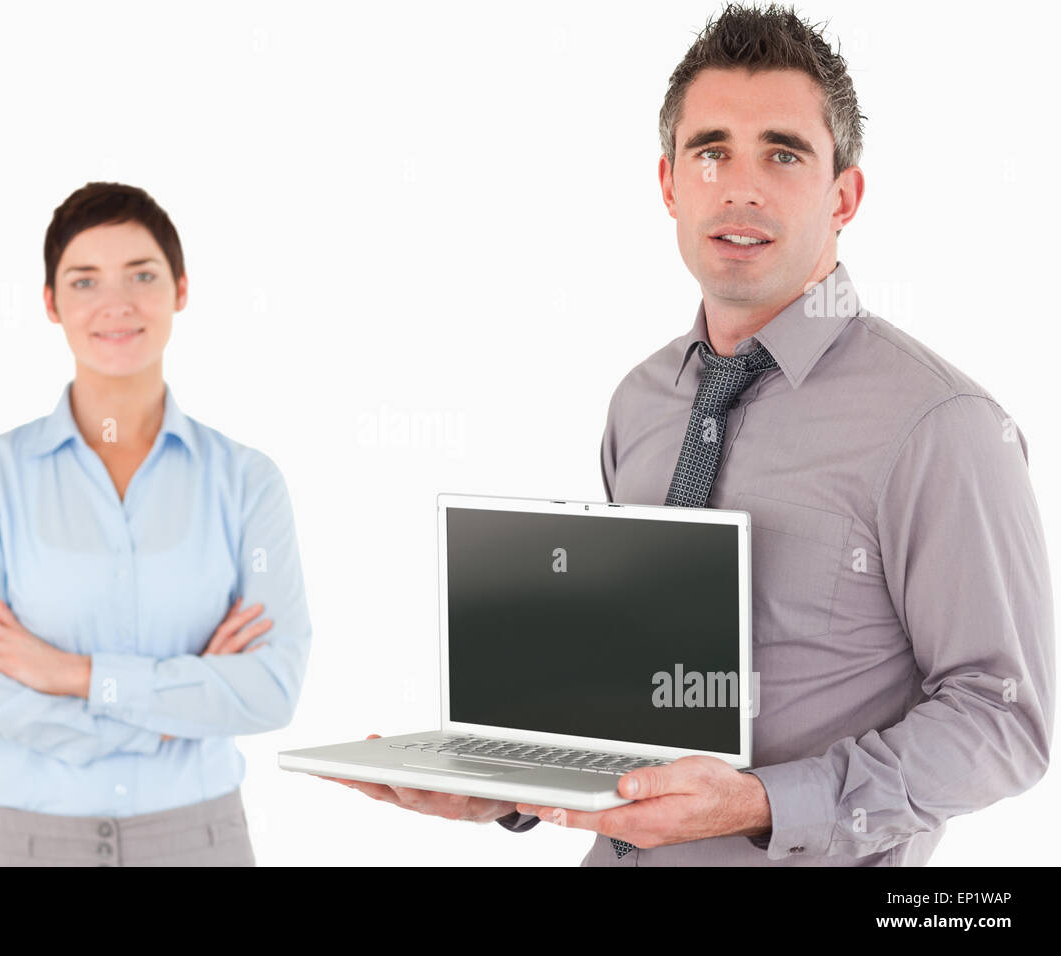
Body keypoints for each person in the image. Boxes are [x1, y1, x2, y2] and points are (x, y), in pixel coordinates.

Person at [323, 2, 1053, 866]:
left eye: (783, 153)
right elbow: (623, 692)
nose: (740, 186)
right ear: (670, 184)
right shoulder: (641, 400)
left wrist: (760, 803)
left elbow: (1008, 722)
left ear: (843, 195)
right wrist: (508, 783)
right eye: (711, 152)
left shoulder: (941, 427)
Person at [0, 182, 311, 866]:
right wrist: (174, 709)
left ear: (181, 289)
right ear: (51, 302)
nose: (117, 303)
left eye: (142, 274)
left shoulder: (247, 481)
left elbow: (271, 690)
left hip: (201, 842)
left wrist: (71, 673)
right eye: (85, 281)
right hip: (30, 845)